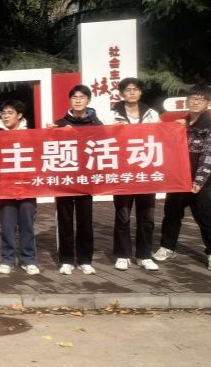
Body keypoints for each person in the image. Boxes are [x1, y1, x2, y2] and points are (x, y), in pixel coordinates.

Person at [153, 84, 211, 271]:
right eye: (192, 98)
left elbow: (210, 155)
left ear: (208, 103)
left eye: (201, 99)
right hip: (178, 179)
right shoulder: (179, 124)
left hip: (201, 181)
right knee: (172, 214)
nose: (196, 102)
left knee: (207, 217)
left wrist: (198, 181)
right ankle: (167, 247)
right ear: (187, 101)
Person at [52, 85, 102, 275]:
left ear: (88, 100)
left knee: (85, 221)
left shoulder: (97, 124)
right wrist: (52, 132)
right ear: (70, 101)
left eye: (82, 97)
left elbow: (104, 147)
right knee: (65, 220)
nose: (78, 100)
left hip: (85, 179)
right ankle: (66, 260)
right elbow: (48, 148)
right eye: (74, 97)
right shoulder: (59, 123)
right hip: (64, 179)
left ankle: (85, 260)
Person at [111, 78, 161, 271]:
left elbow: (163, 136)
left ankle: (144, 255)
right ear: (121, 93)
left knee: (146, 217)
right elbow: (101, 136)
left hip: (146, 172)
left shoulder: (152, 114)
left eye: (135, 89)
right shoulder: (112, 115)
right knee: (123, 216)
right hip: (123, 172)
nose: (132, 92)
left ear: (140, 92)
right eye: (128, 89)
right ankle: (122, 255)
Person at [0, 100, 39, 275]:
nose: (6, 116)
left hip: (27, 187)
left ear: (19, 115)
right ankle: (7, 260)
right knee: (7, 226)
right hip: (5, 188)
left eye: (10, 113)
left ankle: (28, 260)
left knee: (27, 225)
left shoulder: (31, 134)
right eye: (4, 113)